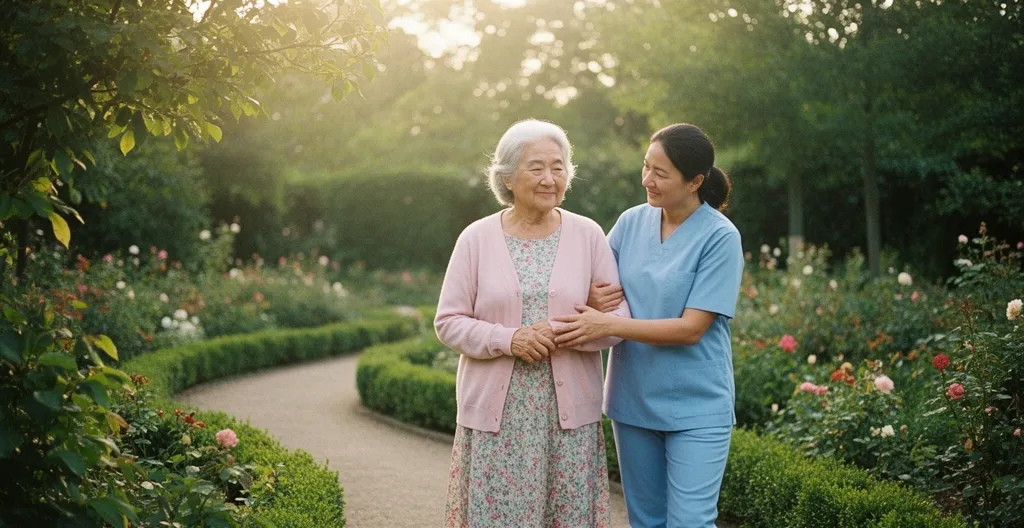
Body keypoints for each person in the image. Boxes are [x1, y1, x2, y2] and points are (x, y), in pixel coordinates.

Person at [434, 118, 631, 527]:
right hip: (498, 420)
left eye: (558, 167)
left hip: (569, 419)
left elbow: (617, 319)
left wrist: (560, 331)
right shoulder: (476, 238)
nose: (549, 178)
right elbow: (448, 321)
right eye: (535, 167)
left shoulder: (588, 234)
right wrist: (510, 339)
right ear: (507, 177)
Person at [552, 123, 744, 527]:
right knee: (646, 521)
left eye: (660, 173)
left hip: (697, 406)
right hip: (634, 399)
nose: (647, 180)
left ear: (694, 181)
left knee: (690, 522)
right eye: (646, 166)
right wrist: (592, 300)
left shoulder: (720, 238)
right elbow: (592, 282)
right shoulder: (630, 223)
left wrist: (611, 324)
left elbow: (691, 328)